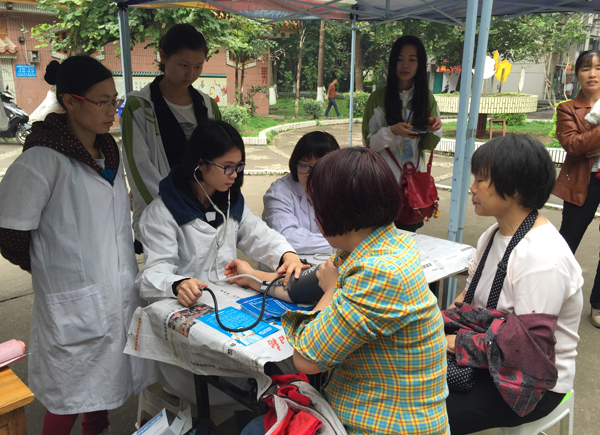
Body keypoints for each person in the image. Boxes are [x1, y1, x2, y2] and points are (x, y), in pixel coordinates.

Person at [239, 147, 449, 435]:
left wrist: (331, 290)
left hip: (385, 425)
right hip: (367, 402)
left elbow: (306, 361)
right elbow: (300, 286)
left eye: (316, 205)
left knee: (254, 430)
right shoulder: (378, 243)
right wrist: (253, 277)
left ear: (333, 212)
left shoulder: (378, 273)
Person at [0, 56, 155, 435]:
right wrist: (52, 265)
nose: (112, 111)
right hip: (72, 300)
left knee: (106, 383)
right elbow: (9, 233)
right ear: (70, 101)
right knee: (70, 393)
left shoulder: (108, 153)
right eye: (102, 102)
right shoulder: (42, 160)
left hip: (116, 292)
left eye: (115, 101)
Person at [135, 119, 305, 405]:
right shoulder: (162, 213)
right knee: (240, 377)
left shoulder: (230, 201)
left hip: (230, 300)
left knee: (280, 351)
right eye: (227, 167)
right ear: (200, 164)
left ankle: (264, 409)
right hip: (191, 310)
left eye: (239, 167)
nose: (234, 175)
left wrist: (286, 254)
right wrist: (177, 284)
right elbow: (152, 274)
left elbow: (258, 234)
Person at [445, 135, 583, 434]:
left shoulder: (543, 257)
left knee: (423, 412)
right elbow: (468, 298)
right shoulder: (493, 235)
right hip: (485, 354)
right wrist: (435, 322)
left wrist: (449, 342)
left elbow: (524, 348)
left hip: (534, 381)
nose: (472, 188)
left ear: (515, 188)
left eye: (481, 180)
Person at [121, 23, 221, 251]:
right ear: (164, 57)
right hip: (161, 217)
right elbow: (139, 170)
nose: (191, 74)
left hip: (203, 213)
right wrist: (173, 212)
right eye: (184, 65)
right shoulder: (140, 107)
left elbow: (218, 159)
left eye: (198, 66)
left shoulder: (208, 106)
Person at [362, 35, 443, 232]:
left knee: (408, 237)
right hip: (383, 185)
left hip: (413, 185)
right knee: (380, 238)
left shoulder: (426, 99)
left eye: (412, 59)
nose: (405, 65)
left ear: (419, 64)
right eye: (399, 59)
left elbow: (430, 144)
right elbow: (369, 145)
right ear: (392, 63)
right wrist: (392, 131)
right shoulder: (377, 99)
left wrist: (435, 127)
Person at [553, 49, 600, 328]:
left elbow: (585, 142)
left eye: (598, 67)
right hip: (583, 182)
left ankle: (599, 303)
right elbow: (573, 145)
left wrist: (590, 139)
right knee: (567, 241)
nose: (593, 73)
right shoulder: (567, 108)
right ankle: (552, 295)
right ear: (577, 75)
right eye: (586, 68)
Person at [262, 131, 340, 254]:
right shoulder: (279, 193)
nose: (311, 174)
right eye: (304, 165)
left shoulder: (342, 189)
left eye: (320, 167)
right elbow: (288, 238)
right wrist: (344, 243)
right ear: (295, 164)